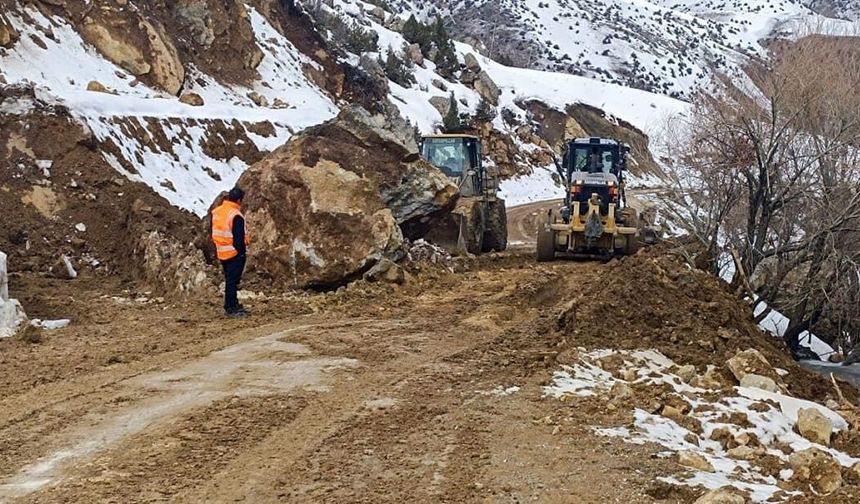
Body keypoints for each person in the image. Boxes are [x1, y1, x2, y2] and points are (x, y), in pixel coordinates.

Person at [211, 187, 251, 318]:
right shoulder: (235, 215)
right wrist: (241, 253)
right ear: (239, 200)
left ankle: (232, 303)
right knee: (232, 281)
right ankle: (230, 307)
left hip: (221, 251)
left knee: (230, 279)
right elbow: (238, 239)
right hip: (233, 253)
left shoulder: (217, 212)